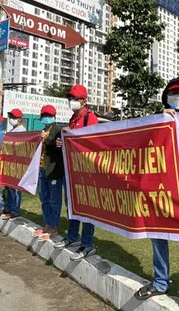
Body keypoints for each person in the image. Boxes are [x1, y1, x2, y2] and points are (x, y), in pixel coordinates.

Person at [134, 78, 179, 311]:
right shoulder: (157, 120)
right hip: (158, 191)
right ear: (165, 95)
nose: (177, 98)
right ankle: (160, 281)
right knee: (158, 237)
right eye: (173, 93)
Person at [54, 84, 99, 261]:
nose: (71, 101)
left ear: (84, 100)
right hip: (71, 169)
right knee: (72, 204)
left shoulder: (90, 118)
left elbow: (93, 142)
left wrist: (71, 133)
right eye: (70, 98)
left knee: (87, 207)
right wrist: (63, 143)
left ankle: (87, 243)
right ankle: (73, 236)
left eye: (74, 98)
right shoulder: (73, 118)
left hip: (86, 171)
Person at [32, 105, 64, 241]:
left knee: (54, 200)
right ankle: (47, 224)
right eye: (44, 115)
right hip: (42, 168)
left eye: (48, 115)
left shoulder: (58, 130)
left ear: (54, 116)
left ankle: (53, 227)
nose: (46, 118)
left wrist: (48, 139)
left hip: (54, 170)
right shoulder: (43, 130)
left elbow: (60, 148)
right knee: (44, 198)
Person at [0, 109, 26, 220]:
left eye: (14, 117)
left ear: (19, 119)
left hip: (17, 163)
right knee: (9, 187)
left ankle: (15, 210)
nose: (12, 119)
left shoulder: (21, 130)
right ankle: (8, 207)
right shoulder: (12, 130)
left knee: (15, 188)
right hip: (9, 162)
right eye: (10, 117)